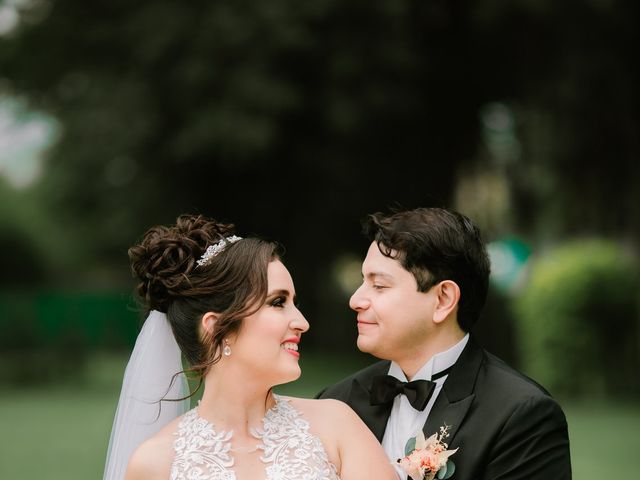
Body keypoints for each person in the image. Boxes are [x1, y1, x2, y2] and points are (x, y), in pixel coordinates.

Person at [104, 214, 396, 480]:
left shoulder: (336, 425)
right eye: (277, 302)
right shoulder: (155, 464)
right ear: (218, 327)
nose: (302, 322)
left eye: (294, 302)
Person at [317, 207, 572, 479]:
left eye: (379, 285)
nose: (355, 300)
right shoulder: (335, 402)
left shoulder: (521, 417)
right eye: (362, 282)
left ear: (443, 300)